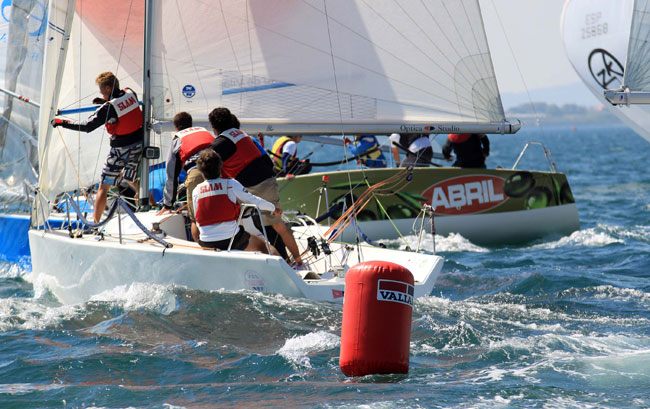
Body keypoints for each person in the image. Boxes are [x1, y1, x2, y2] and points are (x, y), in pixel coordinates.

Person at [208, 107, 304, 265]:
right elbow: (266, 160)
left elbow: (207, 166)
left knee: (231, 220)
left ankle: (233, 256)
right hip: (267, 180)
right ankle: (299, 261)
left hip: (250, 186)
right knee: (277, 224)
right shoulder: (243, 135)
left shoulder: (220, 143)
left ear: (213, 126)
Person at [51, 71, 143, 223]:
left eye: (101, 89)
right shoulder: (130, 93)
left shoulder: (108, 108)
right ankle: (150, 203)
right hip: (138, 144)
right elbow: (122, 107)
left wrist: (61, 123)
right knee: (129, 176)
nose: (100, 92)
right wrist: (104, 101)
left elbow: (87, 127)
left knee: (103, 187)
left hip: (121, 149)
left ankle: (95, 222)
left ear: (107, 88)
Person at [192, 149, 280, 254]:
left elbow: (198, 220)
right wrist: (274, 208)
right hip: (231, 239)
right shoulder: (230, 183)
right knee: (264, 245)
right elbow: (254, 200)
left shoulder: (196, 190)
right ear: (220, 167)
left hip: (206, 242)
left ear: (201, 170)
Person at [157, 112, 215, 241]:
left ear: (176, 127)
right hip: (218, 172)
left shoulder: (178, 139)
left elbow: (171, 175)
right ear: (191, 123)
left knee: (196, 218)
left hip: (197, 173)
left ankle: (203, 251)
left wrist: (168, 204)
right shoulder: (205, 132)